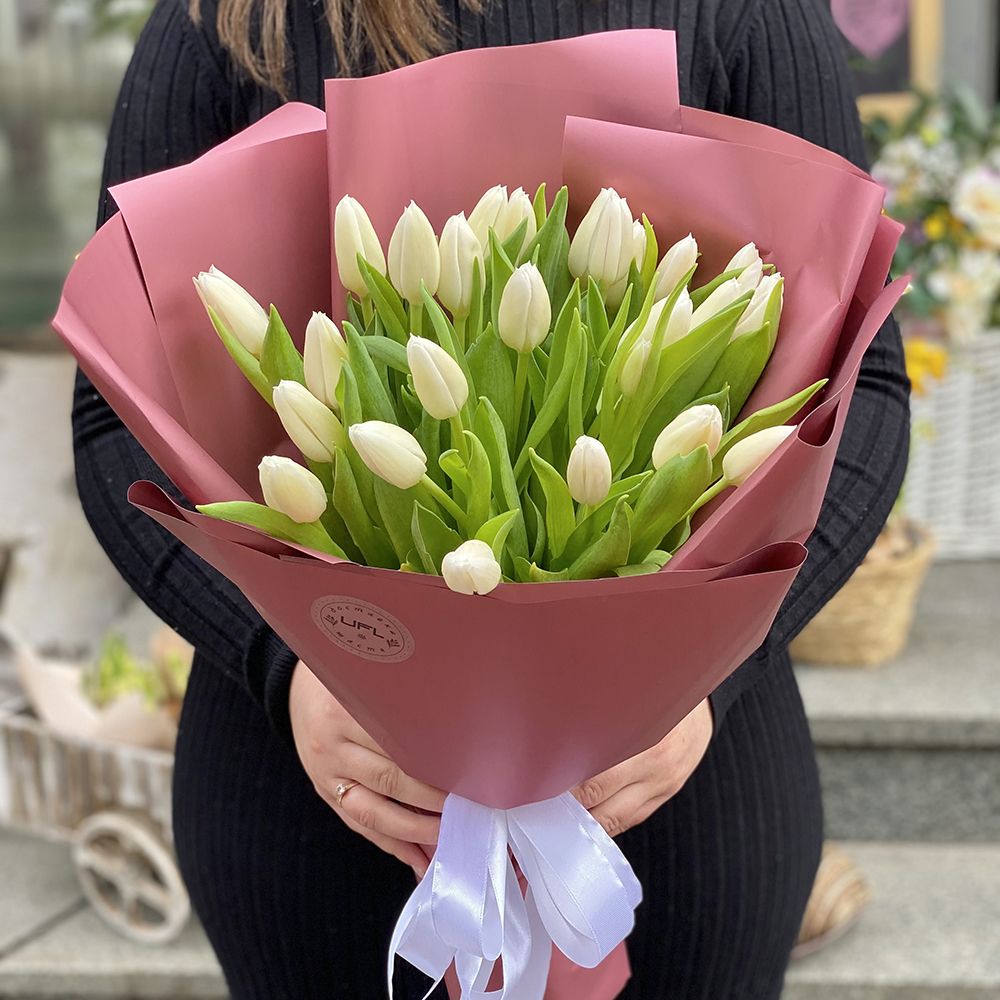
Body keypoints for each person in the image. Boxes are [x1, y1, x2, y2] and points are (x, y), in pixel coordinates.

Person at [71, 2, 910, 997]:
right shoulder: (229, 16)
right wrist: (286, 665)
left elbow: (865, 397)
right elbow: (113, 424)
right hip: (316, 798)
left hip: (681, 796)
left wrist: (706, 685)